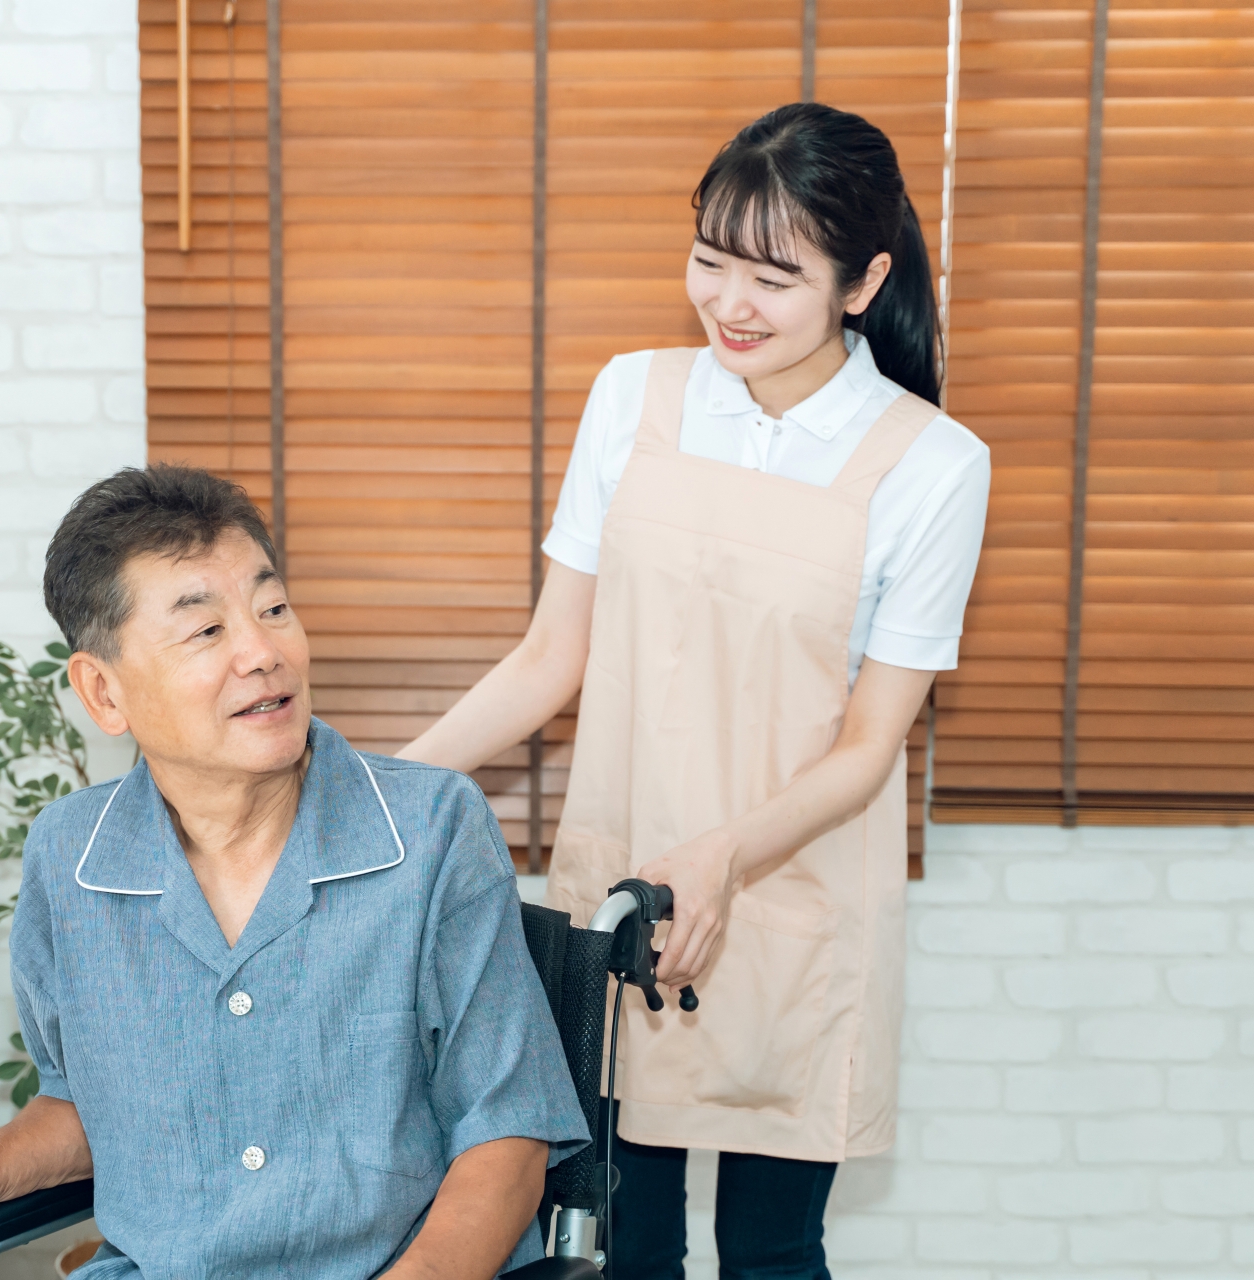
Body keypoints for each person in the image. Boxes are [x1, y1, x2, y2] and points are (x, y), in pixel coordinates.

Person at [400, 103, 992, 1277]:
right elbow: (548, 656)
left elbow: (873, 744)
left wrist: (722, 853)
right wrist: (370, 795)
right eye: (712, 261)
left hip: (797, 897)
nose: (731, 303)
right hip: (622, 895)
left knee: (773, 1247)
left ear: (863, 281)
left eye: (774, 276)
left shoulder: (933, 465)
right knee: (617, 1242)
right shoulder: (635, 397)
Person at [0, 465, 589, 1280]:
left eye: (273, 609)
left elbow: (508, 1135)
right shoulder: (69, 859)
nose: (263, 652)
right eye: (205, 631)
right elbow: (82, 1108)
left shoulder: (432, 831)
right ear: (103, 693)